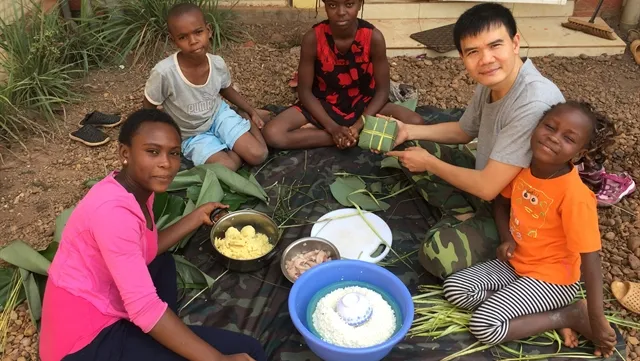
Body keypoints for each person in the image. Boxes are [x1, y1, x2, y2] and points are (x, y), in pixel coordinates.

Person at [40, 109, 267, 361]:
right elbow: (144, 307)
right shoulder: (112, 213)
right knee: (249, 352)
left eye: (174, 153)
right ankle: (159, 335)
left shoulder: (133, 188)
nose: (166, 164)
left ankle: (158, 335)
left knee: (163, 263)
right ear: (125, 153)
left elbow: (144, 249)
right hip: (85, 343)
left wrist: (196, 216)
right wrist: (219, 360)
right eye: (152, 151)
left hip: (108, 301)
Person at [385, 3, 565, 278]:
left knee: (436, 253)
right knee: (411, 148)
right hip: (490, 184)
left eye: (495, 46)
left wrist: (431, 163)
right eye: (473, 52)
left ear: (515, 43)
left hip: (518, 217)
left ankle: (482, 235)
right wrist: (408, 131)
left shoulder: (533, 102)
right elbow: (463, 131)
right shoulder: (492, 82)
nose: (486, 59)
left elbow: (488, 188)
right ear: (462, 56)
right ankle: (465, 217)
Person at [442, 101, 616, 358]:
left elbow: (591, 259)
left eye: (568, 138)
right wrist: (506, 238)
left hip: (553, 279)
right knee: (455, 288)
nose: (553, 138)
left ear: (580, 152)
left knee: (484, 326)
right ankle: (538, 312)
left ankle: (568, 314)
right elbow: (501, 202)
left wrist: (596, 318)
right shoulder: (523, 168)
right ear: (536, 126)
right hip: (518, 262)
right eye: (550, 127)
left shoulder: (575, 196)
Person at [261, 0, 423, 150]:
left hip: (364, 103)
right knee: (273, 134)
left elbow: (382, 90)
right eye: (332, 5)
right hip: (324, 103)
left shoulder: (373, 37)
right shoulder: (313, 38)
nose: (341, 12)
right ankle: (349, 137)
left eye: (349, 4)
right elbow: (304, 91)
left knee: (417, 123)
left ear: (360, 3)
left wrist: (360, 124)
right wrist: (333, 128)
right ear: (324, 4)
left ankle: (347, 134)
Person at [143, 3, 268, 171]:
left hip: (218, 116)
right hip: (191, 133)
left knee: (258, 155)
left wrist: (251, 111)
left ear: (208, 31)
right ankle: (228, 143)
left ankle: (244, 118)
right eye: (183, 37)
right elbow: (149, 105)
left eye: (198, 32)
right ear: (174, 41)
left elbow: (225, 89)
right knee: (228, 168)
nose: (193, 41)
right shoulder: (164, 73)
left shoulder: (217, 64)